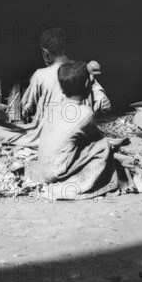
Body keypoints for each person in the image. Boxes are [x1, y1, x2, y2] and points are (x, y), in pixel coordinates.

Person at [0, 27, 111, 147]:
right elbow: (97, 90)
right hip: (81, 128)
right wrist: (101, 97)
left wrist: (27, 108)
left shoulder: (41, 75)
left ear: (46, 53)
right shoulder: (81, 69)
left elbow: (26, 105)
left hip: (51, 132)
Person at [36, 60, 118, 200]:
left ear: (61, 89)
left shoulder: (54, 107)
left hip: (42, 171)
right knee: (104, 146)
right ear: (87, 84)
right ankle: (81, 184)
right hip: (56, 173)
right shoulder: (85, 113)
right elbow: (94, 137)